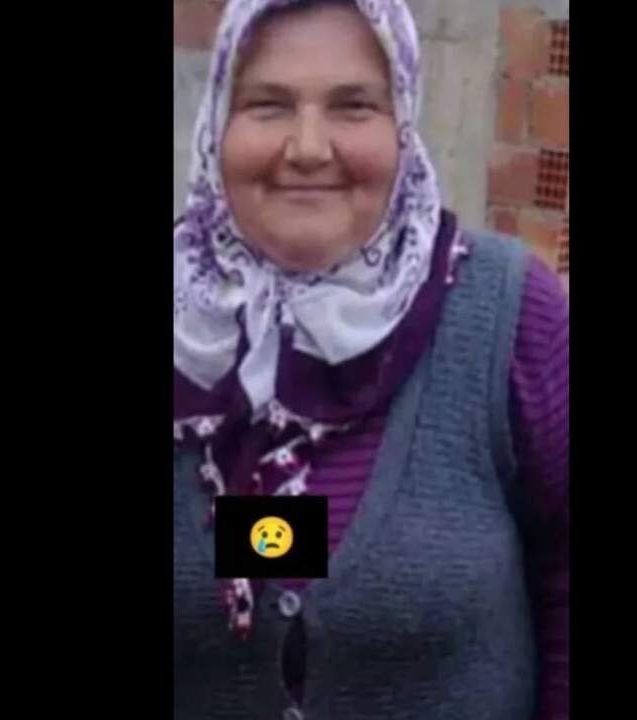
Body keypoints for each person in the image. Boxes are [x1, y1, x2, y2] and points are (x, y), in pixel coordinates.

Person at [172, 1, 569, 717]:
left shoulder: (508, 317)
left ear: (403, 123)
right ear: (218, 121)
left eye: (353, 106)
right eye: (268, 105)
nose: (308, 147)